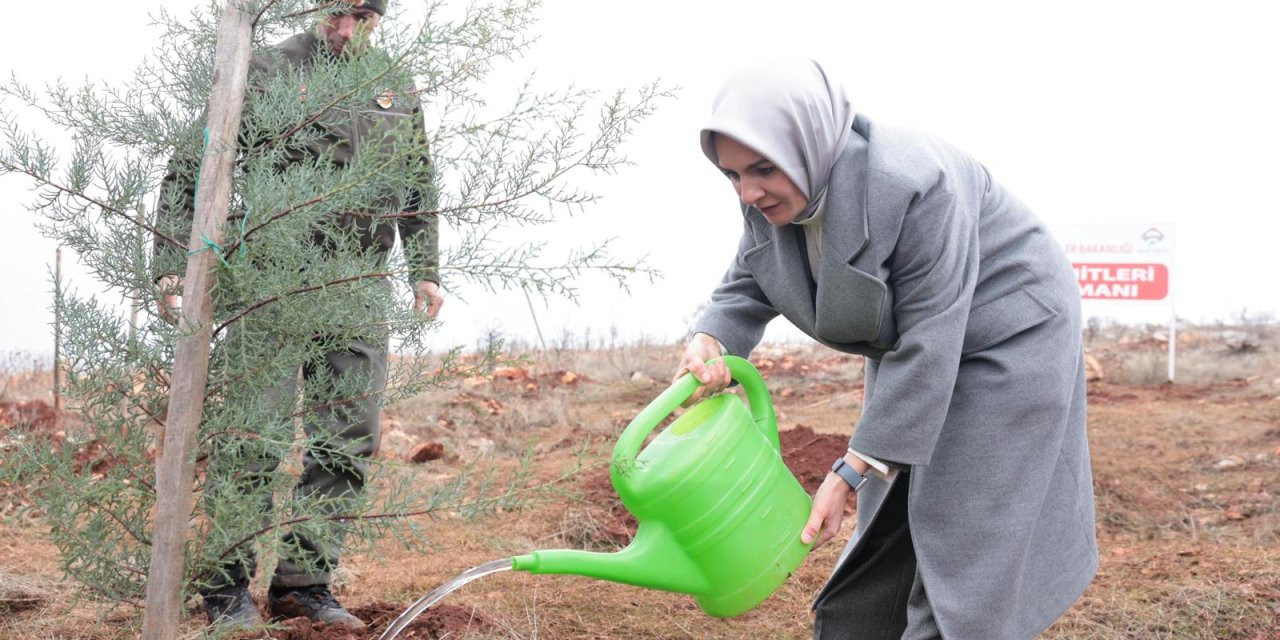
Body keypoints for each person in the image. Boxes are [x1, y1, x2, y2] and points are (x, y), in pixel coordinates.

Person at [674, 58, 1097, 640]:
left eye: (763, 169)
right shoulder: (772, 200)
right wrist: (710, 339)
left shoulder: (913, 183)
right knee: (892, 517)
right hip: (916, 348)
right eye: (732, 175)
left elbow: (932, 336)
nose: (747, 191)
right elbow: (750, 280)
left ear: (808, 142)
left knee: (963, 525)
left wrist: (849, 471)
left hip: (1008, 335)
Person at [153, 0, 442, 630]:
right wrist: (171, 258)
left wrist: (424, 266)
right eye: (336, 14)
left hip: (359, 284)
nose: (345, 30)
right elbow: (191, 162)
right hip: (272, 279)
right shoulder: (265, 66)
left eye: (362, 18)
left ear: (379, 19)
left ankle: (303, 585)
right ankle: (225, 588)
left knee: (349, 436)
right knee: (254, 433)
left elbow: (417, 180)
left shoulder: (394, 81)